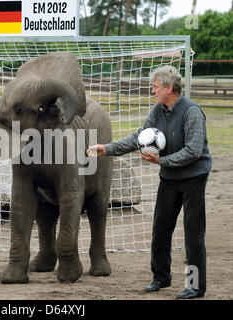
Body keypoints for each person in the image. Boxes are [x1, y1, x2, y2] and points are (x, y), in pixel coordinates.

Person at [87, 66, 212, 299]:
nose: (152, 91)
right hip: (169, 177)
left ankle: (195, 286)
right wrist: (107, 149)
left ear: (169, 88)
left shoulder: (192, 112)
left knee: (193, 234)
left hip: (194, 178)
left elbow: (194, 151)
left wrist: (161, 160)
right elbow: (139, 137)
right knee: (160, 229)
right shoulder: (158, 110)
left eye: (155, 87)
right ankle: (161, 277)